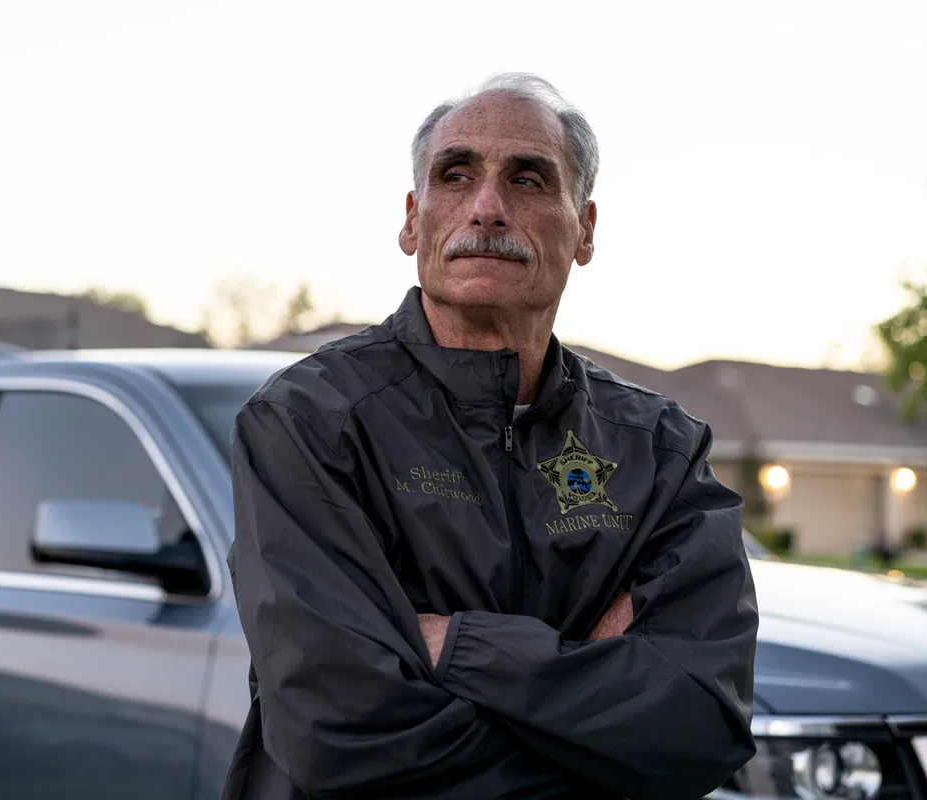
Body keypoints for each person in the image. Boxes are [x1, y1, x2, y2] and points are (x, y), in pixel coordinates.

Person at [222, 73, 758, 799]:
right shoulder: (309, 422)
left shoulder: (658, 450)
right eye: (455, 175)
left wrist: (456, 647)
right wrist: (591, 683)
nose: (487, 206)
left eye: (529, 179)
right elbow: (342, 734)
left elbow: (701, 725)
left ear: (586, 228)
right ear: (414, 220)